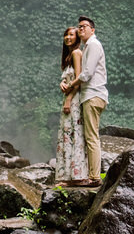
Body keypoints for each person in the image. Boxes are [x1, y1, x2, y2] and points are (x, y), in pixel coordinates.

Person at [61, 15, 106, 187]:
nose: (81, 29)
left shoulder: (93, 45)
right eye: (79, 26)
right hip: (92, 95)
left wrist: (70, 85)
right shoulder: (88, 47)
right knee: (90, 136)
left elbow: (86, 74)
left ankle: (94, 178)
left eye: (84, 26)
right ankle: (91, 175)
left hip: (93, 94)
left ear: (92, 30)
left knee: (91, 137)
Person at [54, 26, 86, 185]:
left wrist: (68, 100)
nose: (67, 37)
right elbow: (71, 78)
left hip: (73, 100)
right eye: (66, 35)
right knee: (69, 134)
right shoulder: (69, 56)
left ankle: (76, 176)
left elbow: (79, 80)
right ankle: (69, 176)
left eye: (71, 35)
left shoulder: (76, 53)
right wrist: (62, 83)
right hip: (69, 98)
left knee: (73, 134)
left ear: (77, 37)